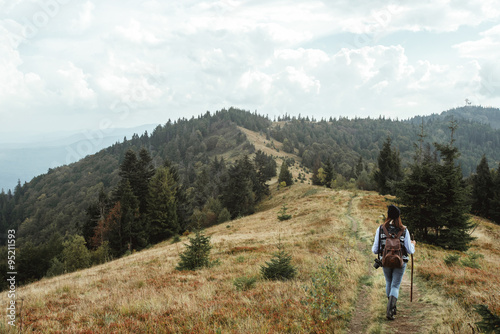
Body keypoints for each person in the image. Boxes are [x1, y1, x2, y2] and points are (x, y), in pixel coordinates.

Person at [372, 204, 416, 320]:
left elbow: (375, 249)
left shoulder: (381, 229)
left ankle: (391, 307)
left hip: (385, 261)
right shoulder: (404, 230)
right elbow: (410, 250)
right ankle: (390, 310)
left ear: (388, 215)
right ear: (398, 216)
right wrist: (413, 244)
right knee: (395, 285)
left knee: (388, 282)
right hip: (400, 262)